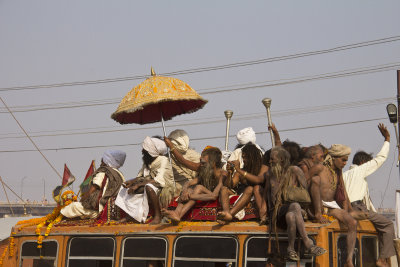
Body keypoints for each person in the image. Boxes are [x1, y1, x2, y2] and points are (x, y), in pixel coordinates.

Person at [343, 123, 395, 267]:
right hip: (358, 208)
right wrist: (387, 139)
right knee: (388, 225)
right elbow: (380, 158)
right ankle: (382, 259)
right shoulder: (360, 170)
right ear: (363, 163)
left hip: (346, 209)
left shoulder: (344, 175)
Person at [266, 146, 326, 261]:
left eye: (272, 159)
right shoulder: (270, 174)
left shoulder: (294, 170)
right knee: (294, 207)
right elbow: (266, 195)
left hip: (292, 211)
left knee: (291, 215)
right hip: (276, 213)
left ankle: (290, 249)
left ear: (281, 160)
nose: (270, 161)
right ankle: (308, 243)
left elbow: (305, 191)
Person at [309, 144, 357, 267]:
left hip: (332, 207)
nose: (345, 163)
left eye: (346, 160)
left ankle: (348, 260)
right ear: (334, 157)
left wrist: (346, 211)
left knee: (353, 223)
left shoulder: (338, 172)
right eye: (343, 159)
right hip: (318, 206)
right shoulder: (319, 168)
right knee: (315, 181)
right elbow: (304, 183)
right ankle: (317, 214)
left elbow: (343, 191)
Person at [117, 136, 174, 224]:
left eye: (145, 150)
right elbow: (141, 176)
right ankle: (131, 215)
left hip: (163, 186)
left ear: (151, 151)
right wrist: (130, 182)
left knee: (149, 187)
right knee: (123, 187)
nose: (142, 151)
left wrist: (138, 185)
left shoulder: (163, 160)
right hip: (148, 183)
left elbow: (159, 180)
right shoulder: (148, 161)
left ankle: (158, 216)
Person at [162, 146, 228, 223]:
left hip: (217, 195)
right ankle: (176, 214)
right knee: (189, 189)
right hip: (206, 195)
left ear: (212, 164)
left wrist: (190, 196)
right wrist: (185, 191)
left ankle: (178, 215)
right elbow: (189, 183)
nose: (201, 165)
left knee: (198, 187)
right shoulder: (205, 171)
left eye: (203, 163)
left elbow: (214, 196)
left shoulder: (222, 174)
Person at [61, 150, 126, 219]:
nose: (101, 163)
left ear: (106, 162)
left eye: (102, 160)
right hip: (112, 212)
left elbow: (91, 191)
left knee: (74, 206)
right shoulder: (120, 175)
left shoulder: (103, 173)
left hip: (99, 211)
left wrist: (81, 201)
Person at [217, 143, 268, 225]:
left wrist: (238, 170)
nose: (243, 160)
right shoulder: (241, 170)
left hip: (256, 194)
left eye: (245, 157)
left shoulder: (262, 167)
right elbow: (230, 185)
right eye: (243, 157)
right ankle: (226, 213)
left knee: (250, 188)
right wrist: (230, 172)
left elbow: (258, 180)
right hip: (241, 194)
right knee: (224, 189)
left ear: (252, 157)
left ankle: (230, 214)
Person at [164, 129, 201, 194]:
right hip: (176, 190)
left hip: (191, 189)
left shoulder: (195, 156)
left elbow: (182, 161)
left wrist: (171, 146)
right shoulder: (167, 158)